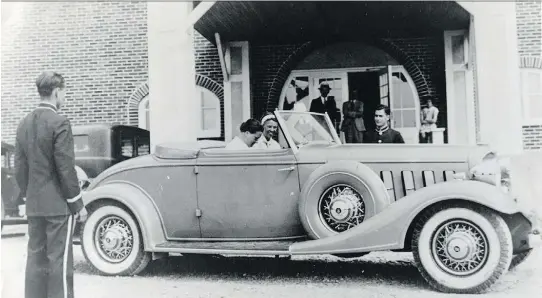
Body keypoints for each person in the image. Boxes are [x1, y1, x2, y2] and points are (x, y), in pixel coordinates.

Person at [15, 71, 87, 298]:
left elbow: (19, 169)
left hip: (34, 207)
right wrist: (78, 204)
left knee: (35, 262)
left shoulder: (23, 123)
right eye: (64, 93)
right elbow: (65, 169)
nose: (64, 98)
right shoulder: (60, 122)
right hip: (58, 207)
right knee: (58, 264)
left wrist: (29, 196)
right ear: (57, 92)